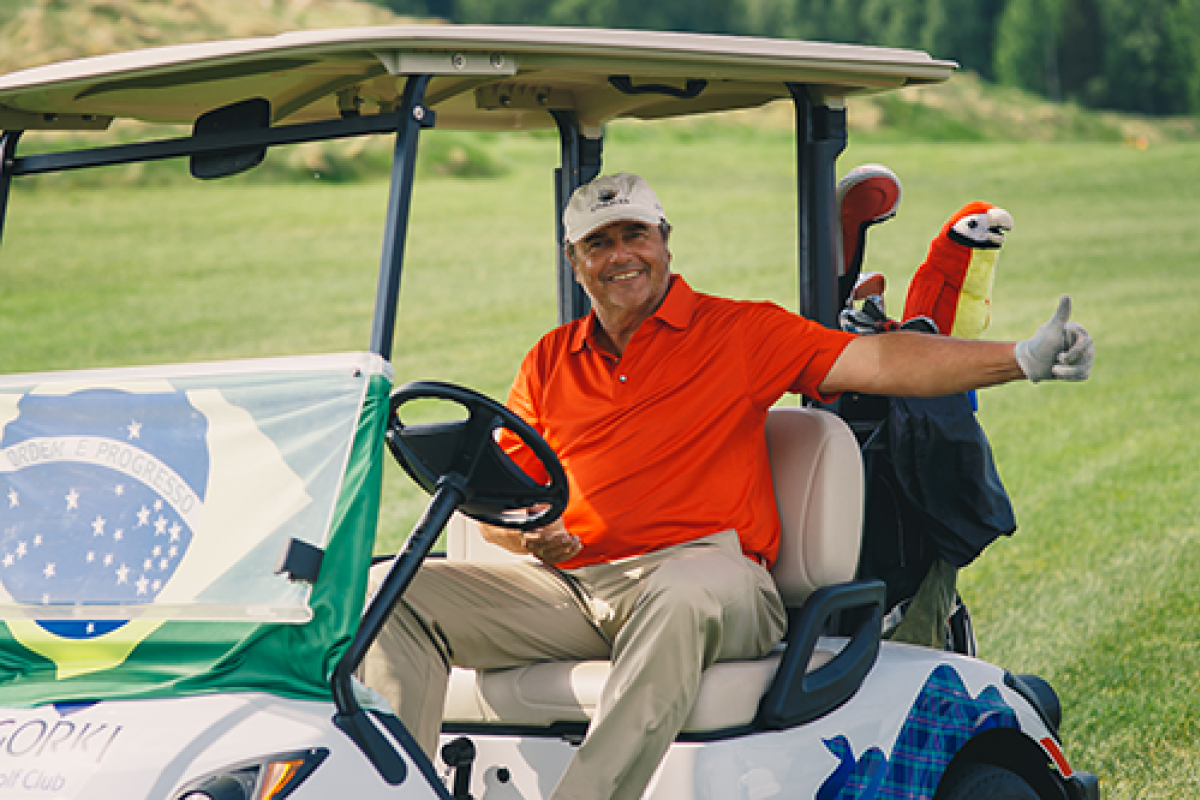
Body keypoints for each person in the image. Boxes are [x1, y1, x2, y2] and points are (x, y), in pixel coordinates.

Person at [361, 172, 1094, 800]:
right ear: (573, 260)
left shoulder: (738, 333)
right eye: (598, 243)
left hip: (716, 577)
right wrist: (525, 532)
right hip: (577, 583)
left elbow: (880, 363)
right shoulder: (551, 360)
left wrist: (1018, 358)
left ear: (664, 240)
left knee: (679, 593)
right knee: (395, 594)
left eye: (633, 235)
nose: (620, 256)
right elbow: (502, 496)